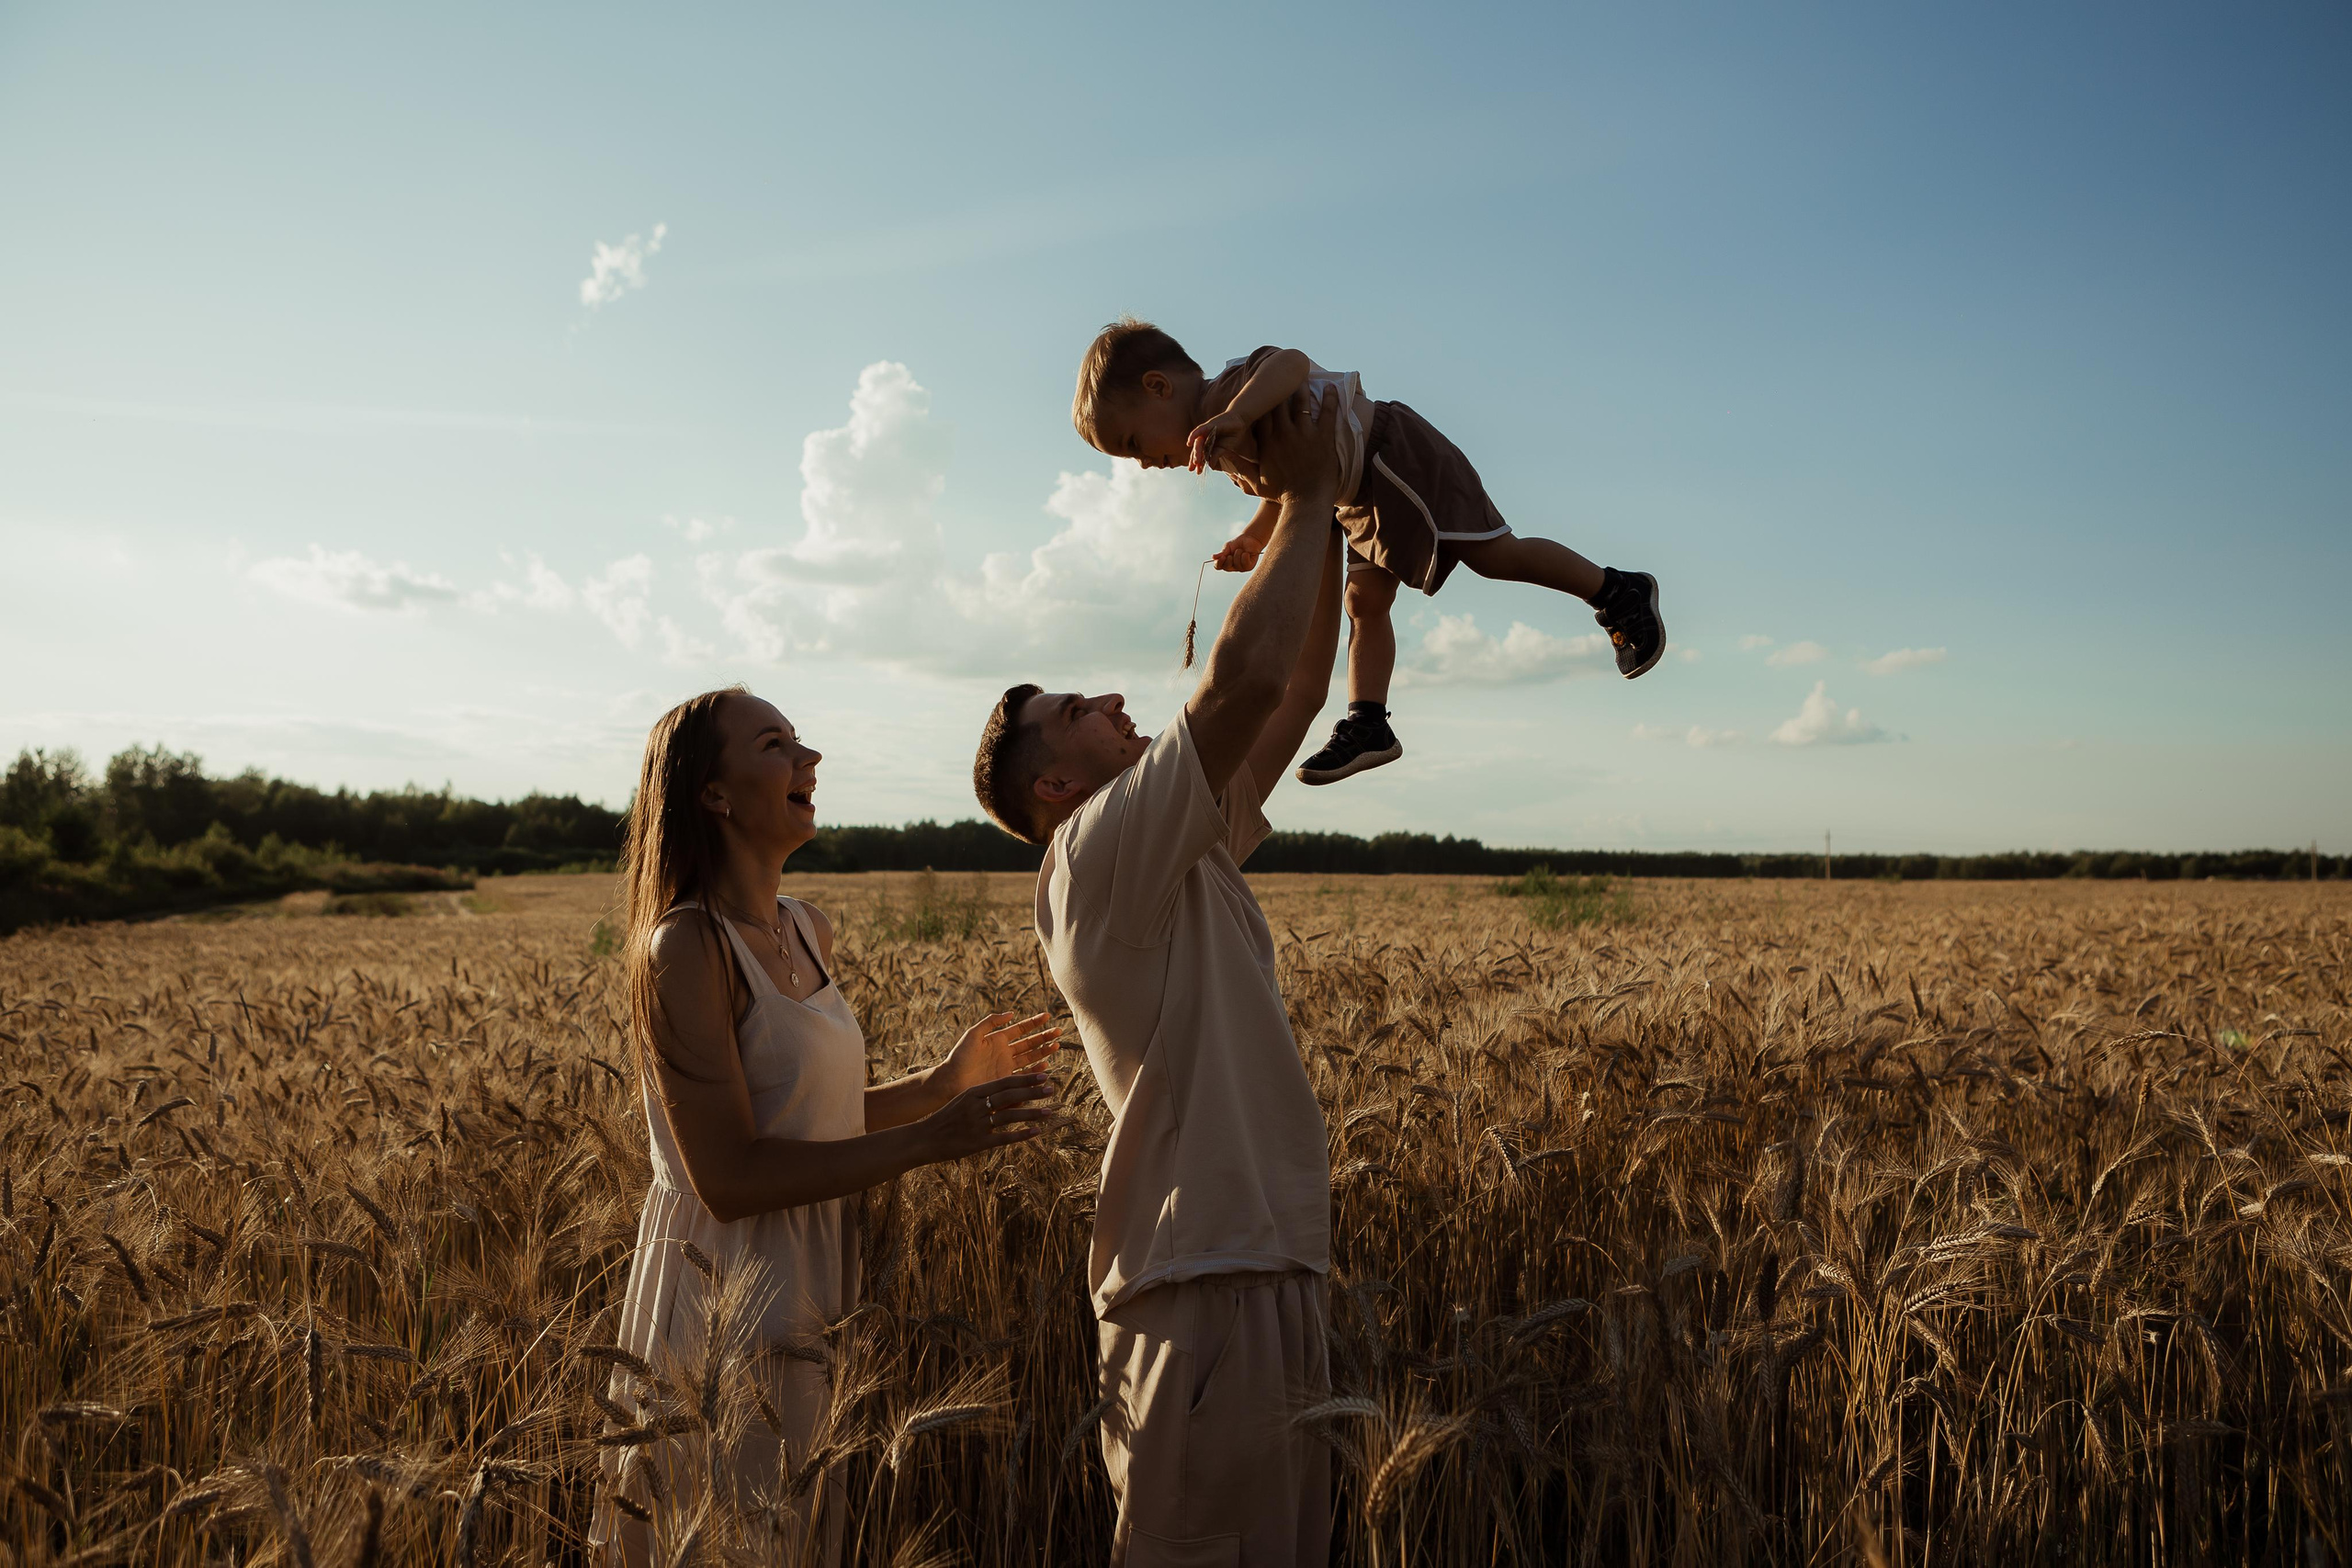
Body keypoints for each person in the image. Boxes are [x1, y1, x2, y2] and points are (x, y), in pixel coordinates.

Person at [972, 387, 1347, 1565]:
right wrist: (1313, 488)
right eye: (1080, 709)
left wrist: (1315, 516)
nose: (1115, 700)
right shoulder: (1096, 856)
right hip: (1200, 1280)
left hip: (1262, 1258)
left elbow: (1284, 697)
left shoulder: (1171, 848)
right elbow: (1233, 687)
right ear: (1052, 790)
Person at [593, 686, 1058, 1565]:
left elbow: (813, 1121)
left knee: (796, 1532)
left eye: (801, 741)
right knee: (726, 1532)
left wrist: (936, 1085)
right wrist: (932, 1139)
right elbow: (728, 1177)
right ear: (715, 793)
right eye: (777, 745)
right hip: (722, 1287)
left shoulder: (808, 927)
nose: (810, 761)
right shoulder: (685, 945)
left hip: (813, 1272)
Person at [1071, 316, 1668, 785]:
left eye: (1133, 443)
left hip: (1393, 453)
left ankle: (1617, 591)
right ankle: (1369, 721)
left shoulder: (1229, 392)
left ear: (1158, 387)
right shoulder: (1227, 450)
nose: (1146, 463)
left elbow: (1291, 362)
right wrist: (1253, 540)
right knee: (1364, 602)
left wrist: (1239, 410)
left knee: (1496, 555)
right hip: (1351, 496)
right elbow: (1284, 490)